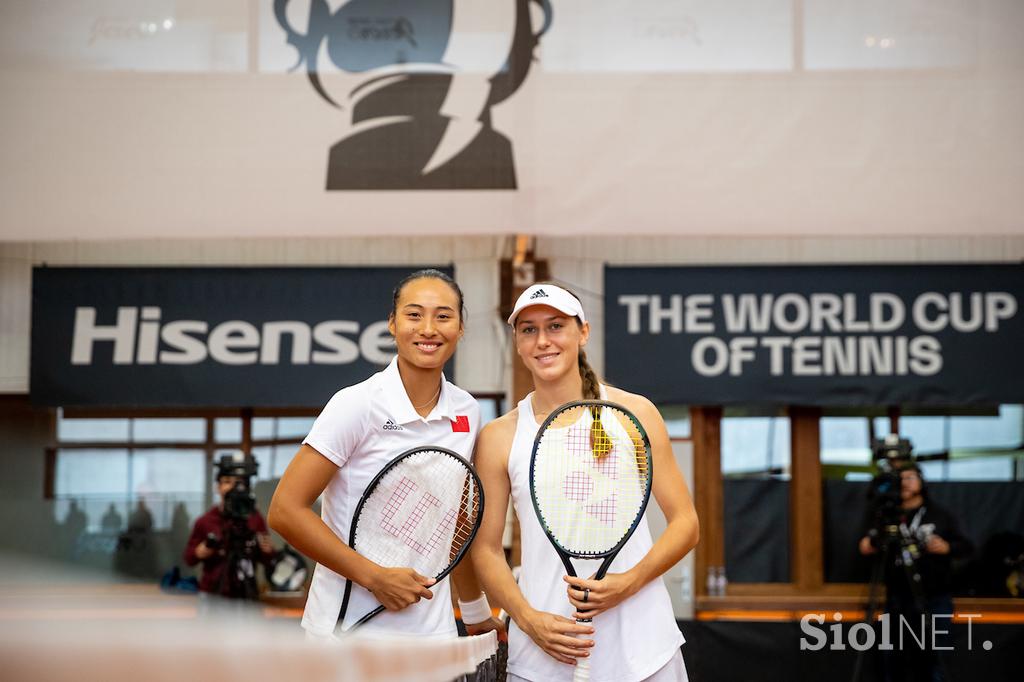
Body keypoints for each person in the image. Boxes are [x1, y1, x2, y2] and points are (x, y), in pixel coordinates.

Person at [470, 283, 700, 682]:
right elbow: (486, 549)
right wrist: (528, 619)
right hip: (542, 656)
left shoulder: (635, 413)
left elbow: (686, 523)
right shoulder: (499, 436)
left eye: (556, 326)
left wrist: (627, 583)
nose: (543, 341)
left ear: (583, 333)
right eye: (529, 330)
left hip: (646, 650)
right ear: (518, 343)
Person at [268, 269, 503, 639]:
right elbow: (285, 511)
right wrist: (373, 577)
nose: (428, 329)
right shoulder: (356, 405)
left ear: (460, 328)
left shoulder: (466, 411)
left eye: (443, 316)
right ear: (393, 324)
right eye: (414, 315)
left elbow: (455, 524)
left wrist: (473, 613)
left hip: (433, 636)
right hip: (345, 635)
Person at [858, 464, 972, 682]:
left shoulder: (939, 514)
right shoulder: (885, 516)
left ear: (921, 481)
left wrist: (946, 547)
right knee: (891, 658)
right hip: (897, 598)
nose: (904, 482)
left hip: (934, 597)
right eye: (899, 479)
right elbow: (864, 546)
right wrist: (877, 537)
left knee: (935, 658)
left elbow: (967, 547)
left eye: (910, 477)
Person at [183, 456, 276, 600]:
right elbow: (189, 559)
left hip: (246, 592)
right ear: (218, 486)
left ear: (246, 486)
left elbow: (268, 560)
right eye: (227, 481)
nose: (233, 487)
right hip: (212, 594)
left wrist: (268, 551)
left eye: (239, 482)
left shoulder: (254, 518)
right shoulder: (206, 521)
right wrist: (200, 551)